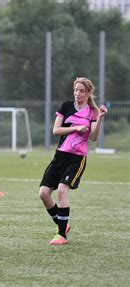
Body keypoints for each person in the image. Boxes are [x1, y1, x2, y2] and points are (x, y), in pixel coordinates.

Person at [39, 77, 108, 246]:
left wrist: (99, 118)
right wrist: (75, 128)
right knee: (43, 193)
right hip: (60, 156)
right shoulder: (66, 106)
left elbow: (92, 137)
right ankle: (63, 224)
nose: (78, 93)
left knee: (62, 190)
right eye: (76, 90)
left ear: (89, 93)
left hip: (77, 159)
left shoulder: (92, 111)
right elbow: (56, 130)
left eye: (81, 91)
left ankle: (61, 235)